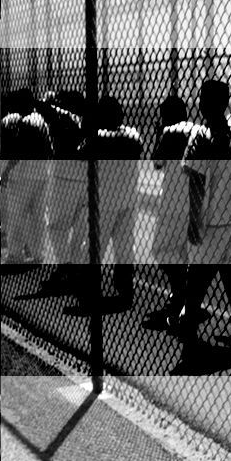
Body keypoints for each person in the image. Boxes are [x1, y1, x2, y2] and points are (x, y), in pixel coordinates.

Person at [177, 78, 231, 361]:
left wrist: (193, 221)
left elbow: (197, 184)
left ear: (206, 102)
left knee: (197, 283)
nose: (200, 103)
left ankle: (189, 341)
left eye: (203, 98)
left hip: (211, 222)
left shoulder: (201, 136)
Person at [85, 95, 145, 308]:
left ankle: (91, 290)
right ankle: (124, 291)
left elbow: (83, 151)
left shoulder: (97, 136)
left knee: (94, 249)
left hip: (105, 202)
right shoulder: (132, 134)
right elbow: (136, 147)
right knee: (125, 249)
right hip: (127, 201)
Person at [144, 94, 198, 329]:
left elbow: (157, 163)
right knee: (186, 254)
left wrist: (159, 135)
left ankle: (180, 294)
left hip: (173, 203)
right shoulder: (198, 130)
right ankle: (185, 298)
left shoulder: (169, 132)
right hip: (195, 200)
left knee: (161, 249)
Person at [34, 91, 90, 295]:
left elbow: (43, 107)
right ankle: (74, 271)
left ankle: (65, 269)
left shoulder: (64, 117)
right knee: (81, 229)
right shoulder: (90, 121)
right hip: (88, 178)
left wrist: (45, 101)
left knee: (56, 226)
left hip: (65, 177)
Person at [0, 88, 52, 263]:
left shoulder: (26, 122)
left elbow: (18, 151)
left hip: (24, 175)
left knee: (17, 215)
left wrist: (6, 172)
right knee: (37, 217)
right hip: (43, 173)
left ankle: (15, 254)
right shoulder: (41, 120)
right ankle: (38, 254)